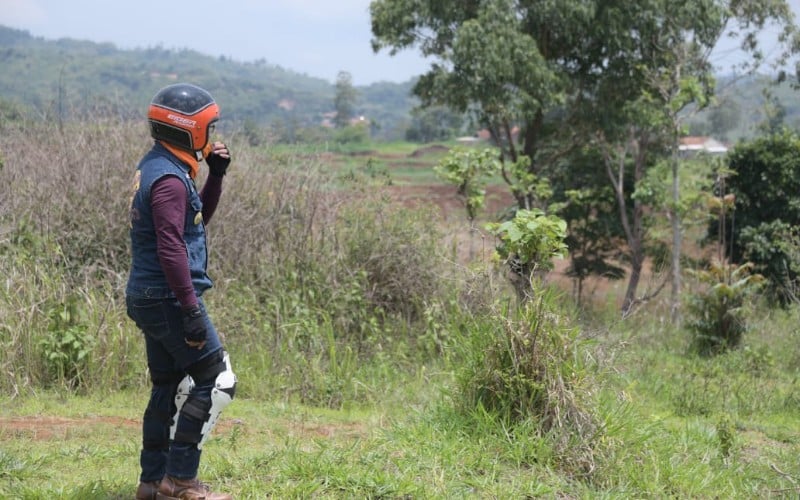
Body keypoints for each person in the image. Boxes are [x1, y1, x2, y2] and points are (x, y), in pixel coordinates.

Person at [126, 83, 236, 500]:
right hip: (168, 297)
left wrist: (216, 176)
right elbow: (172, 247)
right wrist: (190, 310)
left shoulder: (160, 167)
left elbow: (194, 221)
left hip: (149, 294)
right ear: (189, 130)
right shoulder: (169, 180)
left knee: (167, 385)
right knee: (218, 378)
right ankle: (181, 480)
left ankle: (152, 481)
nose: (213, 134)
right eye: (209, 127)